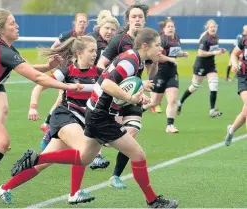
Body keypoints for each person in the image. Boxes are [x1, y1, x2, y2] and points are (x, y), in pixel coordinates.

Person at [11, 28, 178, 208]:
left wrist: (136, 94)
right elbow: (107, 84)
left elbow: (116, 84)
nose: (161, 49)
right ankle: (153, 201)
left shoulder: (134, 58)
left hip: (94, 111)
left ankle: (36, 159)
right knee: (138, 155)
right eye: (158, 45)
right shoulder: (131, 61)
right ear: (145, 46)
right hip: (101, 116)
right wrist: (129, 98)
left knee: (83, 159)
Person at [0, 9, 81, 208]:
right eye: (12, 23)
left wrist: (48, 66)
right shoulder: (3, 50)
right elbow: (35, 78)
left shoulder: (5, 49)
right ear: (1, 29)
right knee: (1, 140)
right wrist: (68, 86)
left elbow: (31, 69)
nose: (17, 26)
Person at [0, 35, 101, 205]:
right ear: (79, 53)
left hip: (81, 120)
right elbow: (40, 86)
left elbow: (112, 91)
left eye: (96, 51)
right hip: (65, 116)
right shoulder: (66, 72)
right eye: (91, 51)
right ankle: (74, 194)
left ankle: (5, 187)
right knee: (84, 149)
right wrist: (33, 106)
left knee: (43, 163)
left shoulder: (98, 73)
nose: (95, 54)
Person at [97, 4, 156, 189]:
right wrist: (110, 85)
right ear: (128, 20)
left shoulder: (147, 41)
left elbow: (149, 71)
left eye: (140, 17)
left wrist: (153, 63)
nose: (137, 19)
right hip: (115, 95)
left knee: (132, 132)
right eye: (134, 17)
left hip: (134, 95)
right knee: (102, 136)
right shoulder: (119, 40)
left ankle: (115, 176)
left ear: (144, 20)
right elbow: (101, 65)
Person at [38, 13, 89, 147]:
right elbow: (54, 47)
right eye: (80, 22)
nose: (82, 24)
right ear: (75, 23)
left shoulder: (87, 38)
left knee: (62, 98)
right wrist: (53, 64)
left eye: (84, 22)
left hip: (77, 73)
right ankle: (48, 123)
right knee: (61, 98)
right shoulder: (67, 35)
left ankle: (48, 124)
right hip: (67, 72)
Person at [142, 18, 189, 133]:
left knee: (172, 100)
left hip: (172, 73)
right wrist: (171, 60)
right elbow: (158, 56)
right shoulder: (161, 40)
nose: (171, 28)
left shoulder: (176, 38)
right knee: (154, 102)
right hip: (160, 72)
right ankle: (138, 110)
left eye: (172, 26)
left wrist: (182, 54)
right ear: (164, 28)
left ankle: (170, 126)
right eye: (168, 26)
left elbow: (175, 52)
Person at [87, 10, 120, 169]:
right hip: (88, 82)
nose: (109, 31)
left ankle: (96, 155)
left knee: (98, 118)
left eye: (113, 29)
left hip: (102, 85)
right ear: (100, 27)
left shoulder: (114, 45)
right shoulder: (92, 41)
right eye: (106, 28)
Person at [177, 19, 226, 118]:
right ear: (207, 28)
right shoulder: (205, 39)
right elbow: (200, 53)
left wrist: (220, 50)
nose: (213, 28)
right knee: (194, 86)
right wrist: (214, 53)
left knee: (214, 85)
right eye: (211, 27)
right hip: (201, 65)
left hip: (211, 66)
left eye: (214, 27)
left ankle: (212, 111)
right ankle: (179, 102)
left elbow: (213, 50)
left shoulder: (216, 37)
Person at [224, 34, 247, 146]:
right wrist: (234, 63)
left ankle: (231, 130)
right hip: (244, 77)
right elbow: (234, 54)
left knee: (245, 111)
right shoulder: (244, 40)